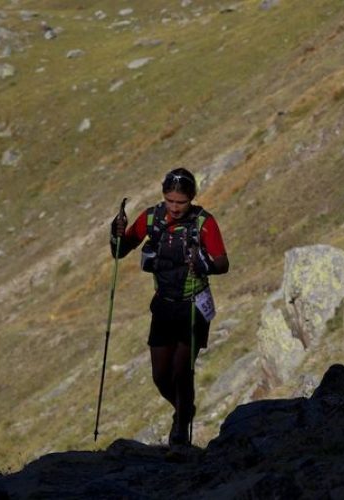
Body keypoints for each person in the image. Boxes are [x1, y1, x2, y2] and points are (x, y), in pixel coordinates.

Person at [109, 167, 229, 449]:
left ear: (192, 199)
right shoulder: (150, 218)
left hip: (193, 307)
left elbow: (223, 263)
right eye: (170, 200)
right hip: (163, 305)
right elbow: (119, 251)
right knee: (160, 375)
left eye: (181, 202)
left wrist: (204, 265)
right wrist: (115, 232)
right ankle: (184, 410)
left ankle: (180, 431)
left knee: (181, 371)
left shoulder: (204, 223)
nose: (174, 207)